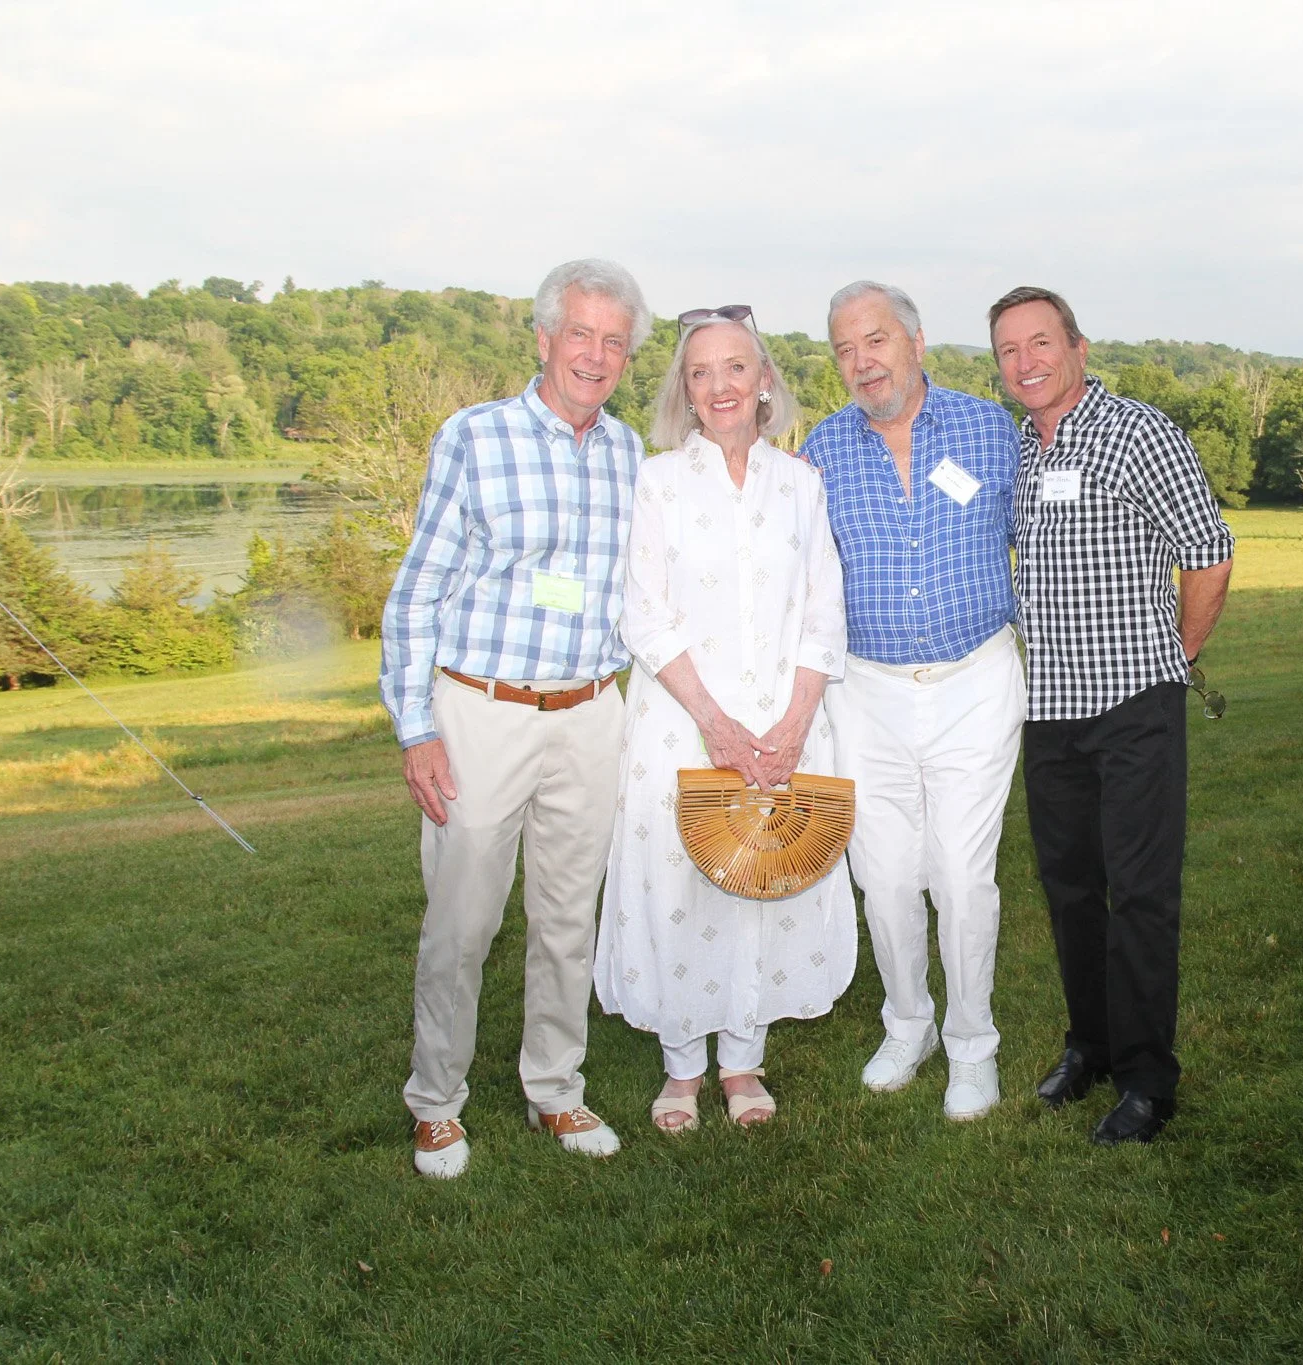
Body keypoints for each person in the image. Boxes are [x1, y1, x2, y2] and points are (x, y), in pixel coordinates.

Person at [382, 258, 651, 1178]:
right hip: (482, 714)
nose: (596, 354)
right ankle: (437, 1103)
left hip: (589, 715)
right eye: (581, 334)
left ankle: (556, 1089)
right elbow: (416, 595)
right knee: (462, 921)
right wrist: (416, 726)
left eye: (614, 341)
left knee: (569, 917)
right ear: (542, 339)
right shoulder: (475, 437)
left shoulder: (627, 454)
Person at [594, 305, 855, 1133]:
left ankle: (742, 1059)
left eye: (735, 367)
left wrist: (794, 719)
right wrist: (712, 720)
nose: (720, 387)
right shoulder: (658, 482)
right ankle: (681, 1067)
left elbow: (824, 607)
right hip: (683, 720)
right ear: (686, 390)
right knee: (684, 885)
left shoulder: (800, 485)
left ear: (765, 380)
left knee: (761, 880)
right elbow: (644, 612)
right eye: (700, 373)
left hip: (784, 723)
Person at [988, 284, 1235, 1145]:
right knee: (1070, 892)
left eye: (1041, 343)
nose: (1027, 362)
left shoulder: (1139, 432)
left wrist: (1178, 658)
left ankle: (1146, 1080)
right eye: (1010, 350)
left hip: (1134, 706)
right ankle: (1088, 1044)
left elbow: (1207, 551)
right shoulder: (1017, 448)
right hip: (1048, 711)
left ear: (1078, 347)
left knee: (1139, 896)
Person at [802, 281, 1024, 1121]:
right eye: (845, 350)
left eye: (877, 340)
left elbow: (1036, 537)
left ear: (917, 341)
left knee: (964, 878)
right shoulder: (822, 450)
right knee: (886, 876)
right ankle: (910, 1023)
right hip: (866, 693)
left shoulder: (986, 429)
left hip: (975, 679)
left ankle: (973, 1045)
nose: (863, 362)